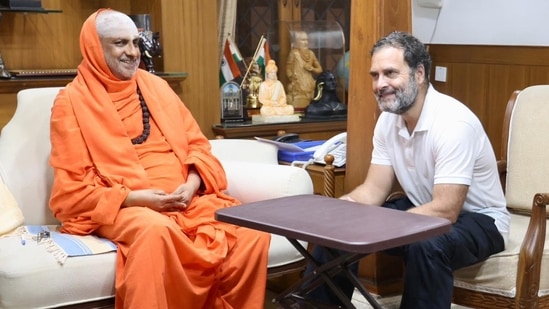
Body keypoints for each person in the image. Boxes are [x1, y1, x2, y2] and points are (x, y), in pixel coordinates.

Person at [48, 9, 270, 309]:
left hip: (186, 200)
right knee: (156, 231)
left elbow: (198, 147)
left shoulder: (156, 87)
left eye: (136, 43)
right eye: (120, 43)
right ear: (94, 47)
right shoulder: (71, 101)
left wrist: (191, 185)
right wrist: (136, 199)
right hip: (124, 207)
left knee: (252, 231)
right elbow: (72, 187)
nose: (132, 52)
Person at [305, 31, 510, 308]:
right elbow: (373, 190)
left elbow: (446, 210)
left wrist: (386, 226)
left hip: (479, 221)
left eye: (390, 73)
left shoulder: (454, 123)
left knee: (425, 243)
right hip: (421, 210)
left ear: (419, 74)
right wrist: (342, 210)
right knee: (336, 231)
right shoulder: (389, 121)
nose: (380, 84)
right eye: (375, 75)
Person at [286, 30, 322, 109]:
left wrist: (312, 68)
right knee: (291, 90)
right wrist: (292, 77)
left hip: (309, 82)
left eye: (307, 40)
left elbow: (320, 70)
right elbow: (288, 68)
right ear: (297, 42)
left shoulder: (311, 54)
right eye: (303, 40)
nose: (306, 42)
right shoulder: (294, 53)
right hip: (298, 83)